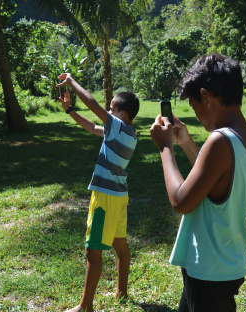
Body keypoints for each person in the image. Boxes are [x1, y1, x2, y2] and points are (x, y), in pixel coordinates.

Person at [149, 53, 246, 311]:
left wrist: (165, 147)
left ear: (206, 97)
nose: (196, 115)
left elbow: (180, 201)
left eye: (194, 106)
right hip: (226, 260)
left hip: (208, 271)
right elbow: (214, 180)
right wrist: (185, 142)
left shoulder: (220, 141)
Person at [57, 73, 139, 312]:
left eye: (111, 109)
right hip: (119, 195)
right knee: (120, 245)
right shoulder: (127, 134)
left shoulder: (118, 128)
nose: (108, 112)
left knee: (92, 251)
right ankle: (122, 293)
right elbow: (92, 126)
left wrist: (71, 81)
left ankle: (85, 307)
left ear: (122, 114)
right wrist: (69, 109)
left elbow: (92, 106)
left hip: (105, 196)